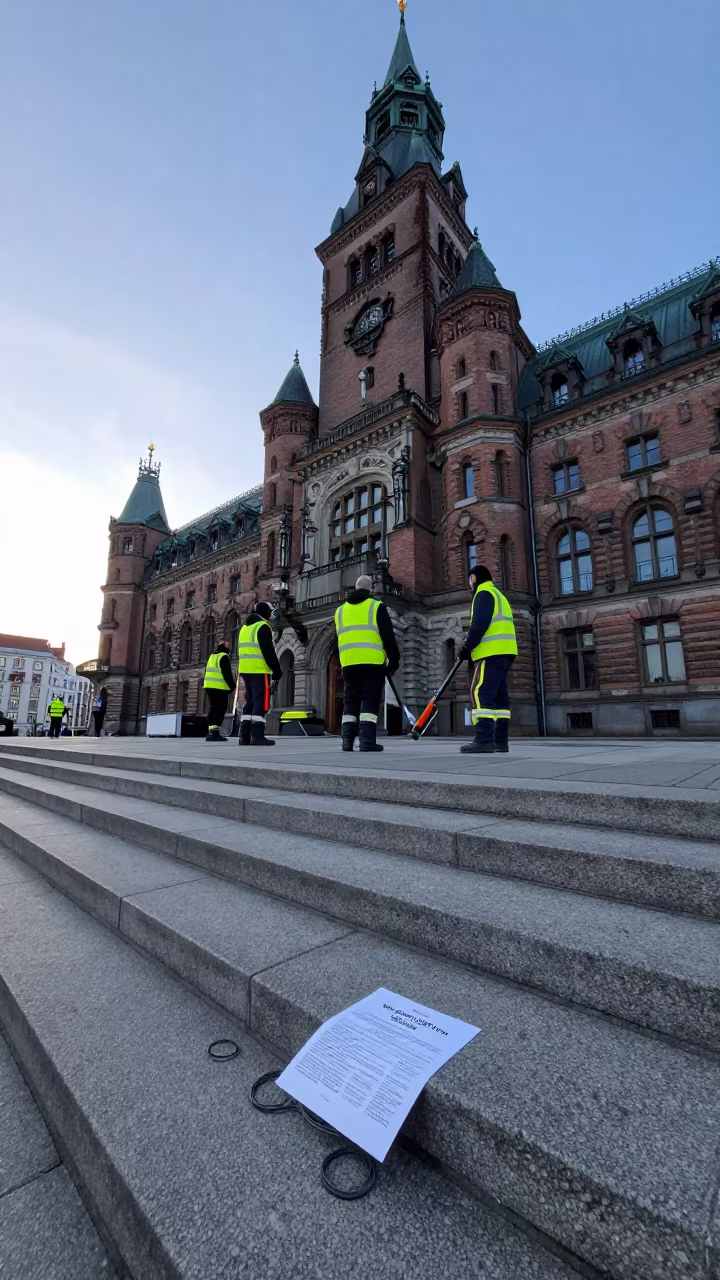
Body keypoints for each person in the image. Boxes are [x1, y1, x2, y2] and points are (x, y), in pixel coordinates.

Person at [334, 574, 400, 753]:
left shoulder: (340, 611)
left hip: (348, 663)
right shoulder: (376, 606)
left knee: (351, 700)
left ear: (355, 588)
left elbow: (337, 638)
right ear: (371, 589)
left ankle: (347, 740)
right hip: (372, 663)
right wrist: (394, 661)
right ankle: (367, 739)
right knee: (370, 699)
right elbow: (388, 636)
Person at [458, 565, 517, 754]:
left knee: (480, 691)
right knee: (500, 698)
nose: (469, 584)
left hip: (490, 653)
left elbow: (479, 624)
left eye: (469, 580)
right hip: (505, 652)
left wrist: (467, 647)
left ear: (474, 578)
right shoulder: (499, 596)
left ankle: (483, 739)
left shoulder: (483, 594)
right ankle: (500, 741)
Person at [237, 601, 281, 747]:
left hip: (246, 670)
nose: (272, 614)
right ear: (265, 612)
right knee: (261, 702)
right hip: (259, 670)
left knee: (249, 702)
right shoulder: (262, 627)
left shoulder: (244, 628)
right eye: (271, 611)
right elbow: (268, 651)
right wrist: (277, 670)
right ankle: (257, 736)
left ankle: (244, 736)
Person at [203, 639, 236, 742]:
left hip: (209, 686)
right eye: (228, 644)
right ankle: (215, 733)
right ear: (224, 645)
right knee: (220, 709)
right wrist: (232, 686)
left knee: (213, 708)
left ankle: (212, 732)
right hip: (219, 687)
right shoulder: (224, 656)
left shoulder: (212, 656)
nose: (229, 647)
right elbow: (226, 673)